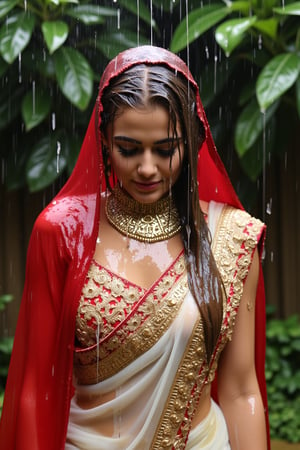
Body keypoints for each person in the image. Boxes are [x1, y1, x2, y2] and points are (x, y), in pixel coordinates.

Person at [0, 46, 270, 450]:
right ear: (104, 140)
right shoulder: (63, 231)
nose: (147, 168)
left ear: (193, 142)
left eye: (166, 149)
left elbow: (241, 391)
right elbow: (35, 388)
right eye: (129, 149)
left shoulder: (232, 238)